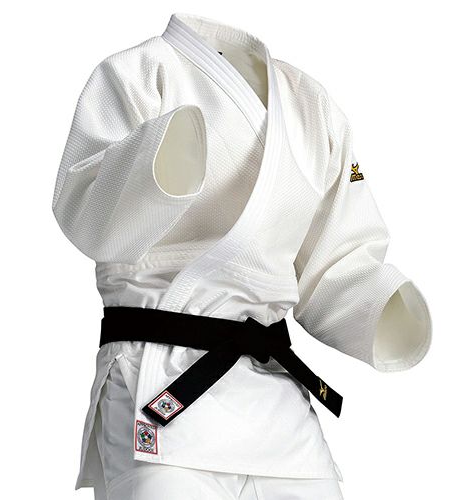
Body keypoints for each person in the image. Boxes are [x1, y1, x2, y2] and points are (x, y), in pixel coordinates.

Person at [52, 12, 432, 500]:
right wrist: (160, 163)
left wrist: (379, 306)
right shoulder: (141, 74)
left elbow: (335, 257)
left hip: (276, 401)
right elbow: (87, 210)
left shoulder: (309, 103)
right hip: (162, 384)